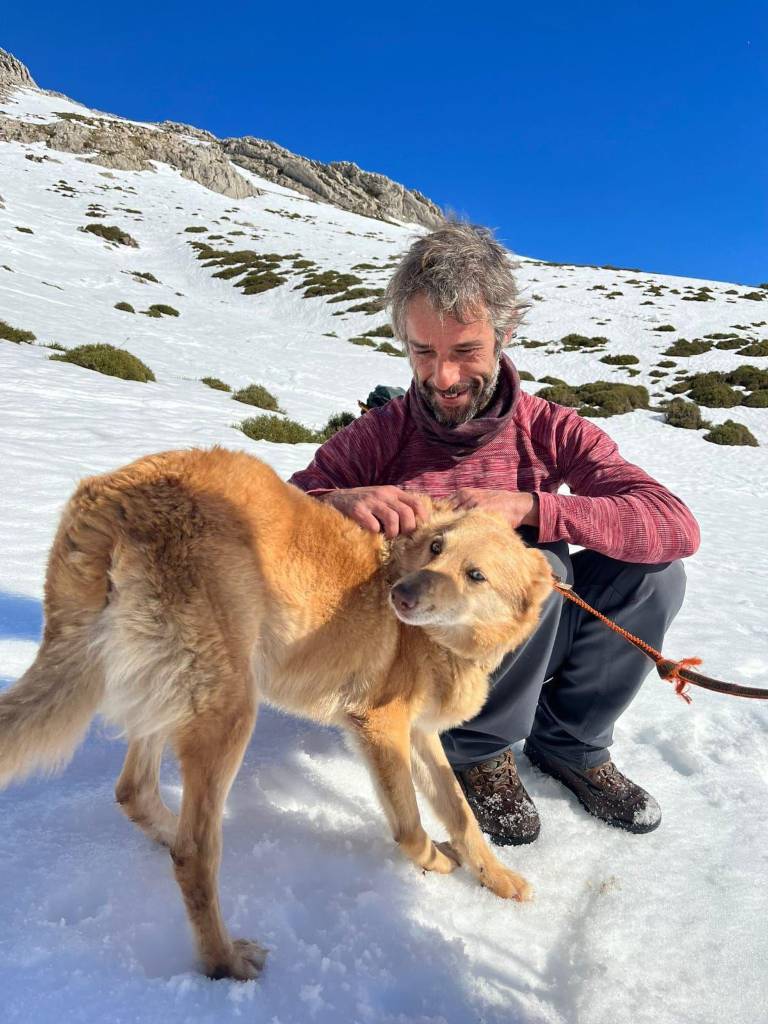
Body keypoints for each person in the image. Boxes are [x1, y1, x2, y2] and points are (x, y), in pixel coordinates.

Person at [289, 221, 700, 846]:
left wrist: (535, 509)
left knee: (654, 574)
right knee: (551, 571)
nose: (444, 378)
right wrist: (339, 501)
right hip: (419, 661)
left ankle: (571, 745)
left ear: (505, 335)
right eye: (423, 352)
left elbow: (673, 523)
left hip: (524, 641)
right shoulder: (382, 432)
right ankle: (478, 752)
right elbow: (284, 509)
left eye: (465, 352)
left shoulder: (551, 429)